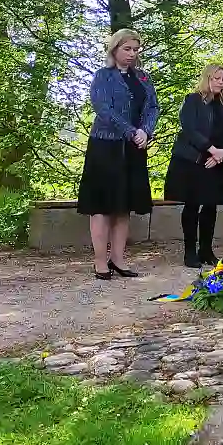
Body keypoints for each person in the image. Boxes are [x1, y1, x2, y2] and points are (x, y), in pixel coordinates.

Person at [77, 28, 159, 280]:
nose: (132, 54)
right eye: (127, 49)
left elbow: (153, 106)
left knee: (124, 206)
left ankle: (118, 259)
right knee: (102, 206)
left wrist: (145, 131)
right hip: (106, 146)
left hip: (134, 147)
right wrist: (130, 131)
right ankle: (100, 262)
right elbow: (103, 109)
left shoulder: (143, 78)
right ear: (115, 49)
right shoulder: (104, 76)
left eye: (136, 49)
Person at [165, 65, 223, 268]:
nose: (220, 82)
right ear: (207, 78)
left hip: (216, 161)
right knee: (193, 205)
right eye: (216, 78)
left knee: (211, 205)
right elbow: (189, 129)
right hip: (193, 161)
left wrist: (221, 153)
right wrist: (210, 149)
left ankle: (206, 251)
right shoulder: (192, 100)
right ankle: (190, 252)